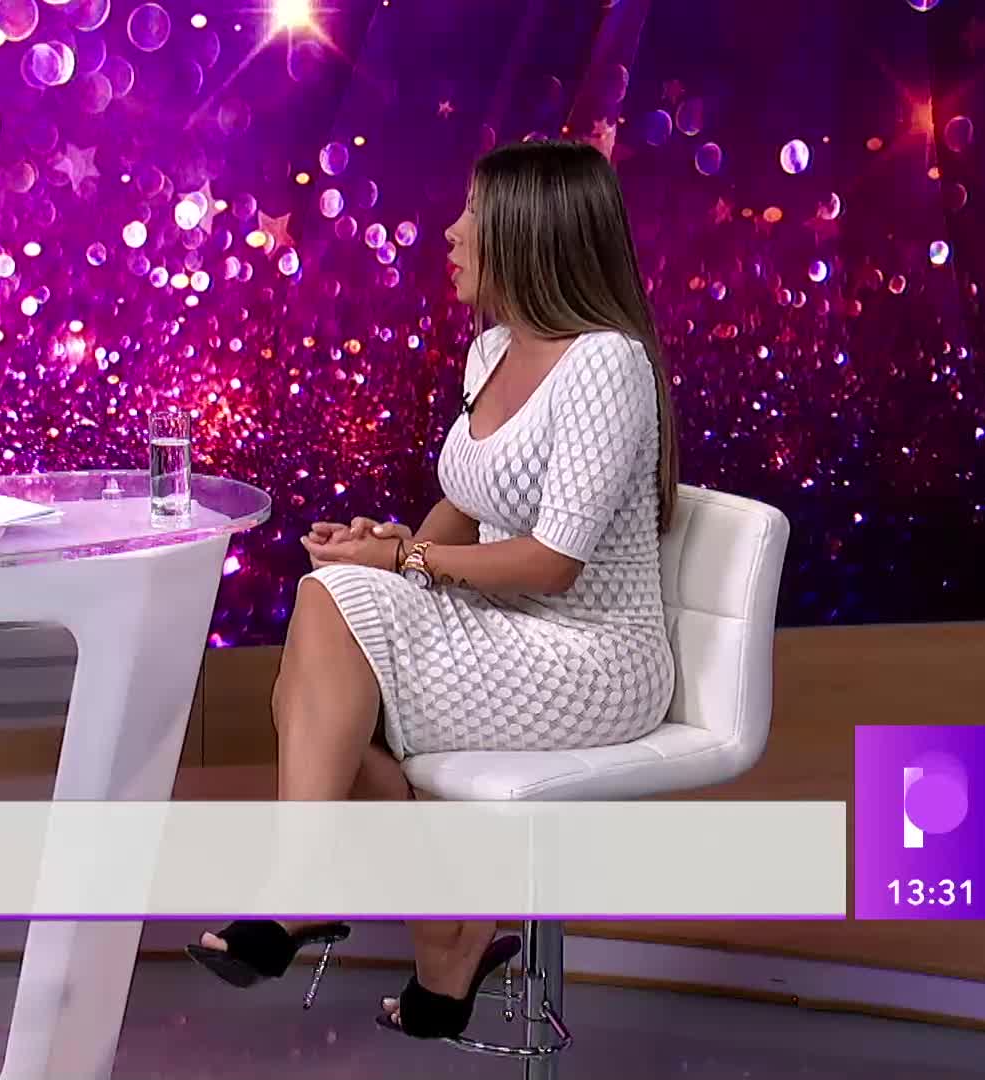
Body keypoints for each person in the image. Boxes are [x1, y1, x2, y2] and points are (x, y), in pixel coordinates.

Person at [187, 140, 679, 1040]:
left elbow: (553, 563)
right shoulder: (491, 351)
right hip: (502, 627)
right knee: (330, 650)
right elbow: (467, 501)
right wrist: (387, 546)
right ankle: (446, 947)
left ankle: (314, 895)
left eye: (473, 216)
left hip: (592, 660)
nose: (451, 233)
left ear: (529, 234)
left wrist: (406, 565)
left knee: (326, 674)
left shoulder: (607, 363)